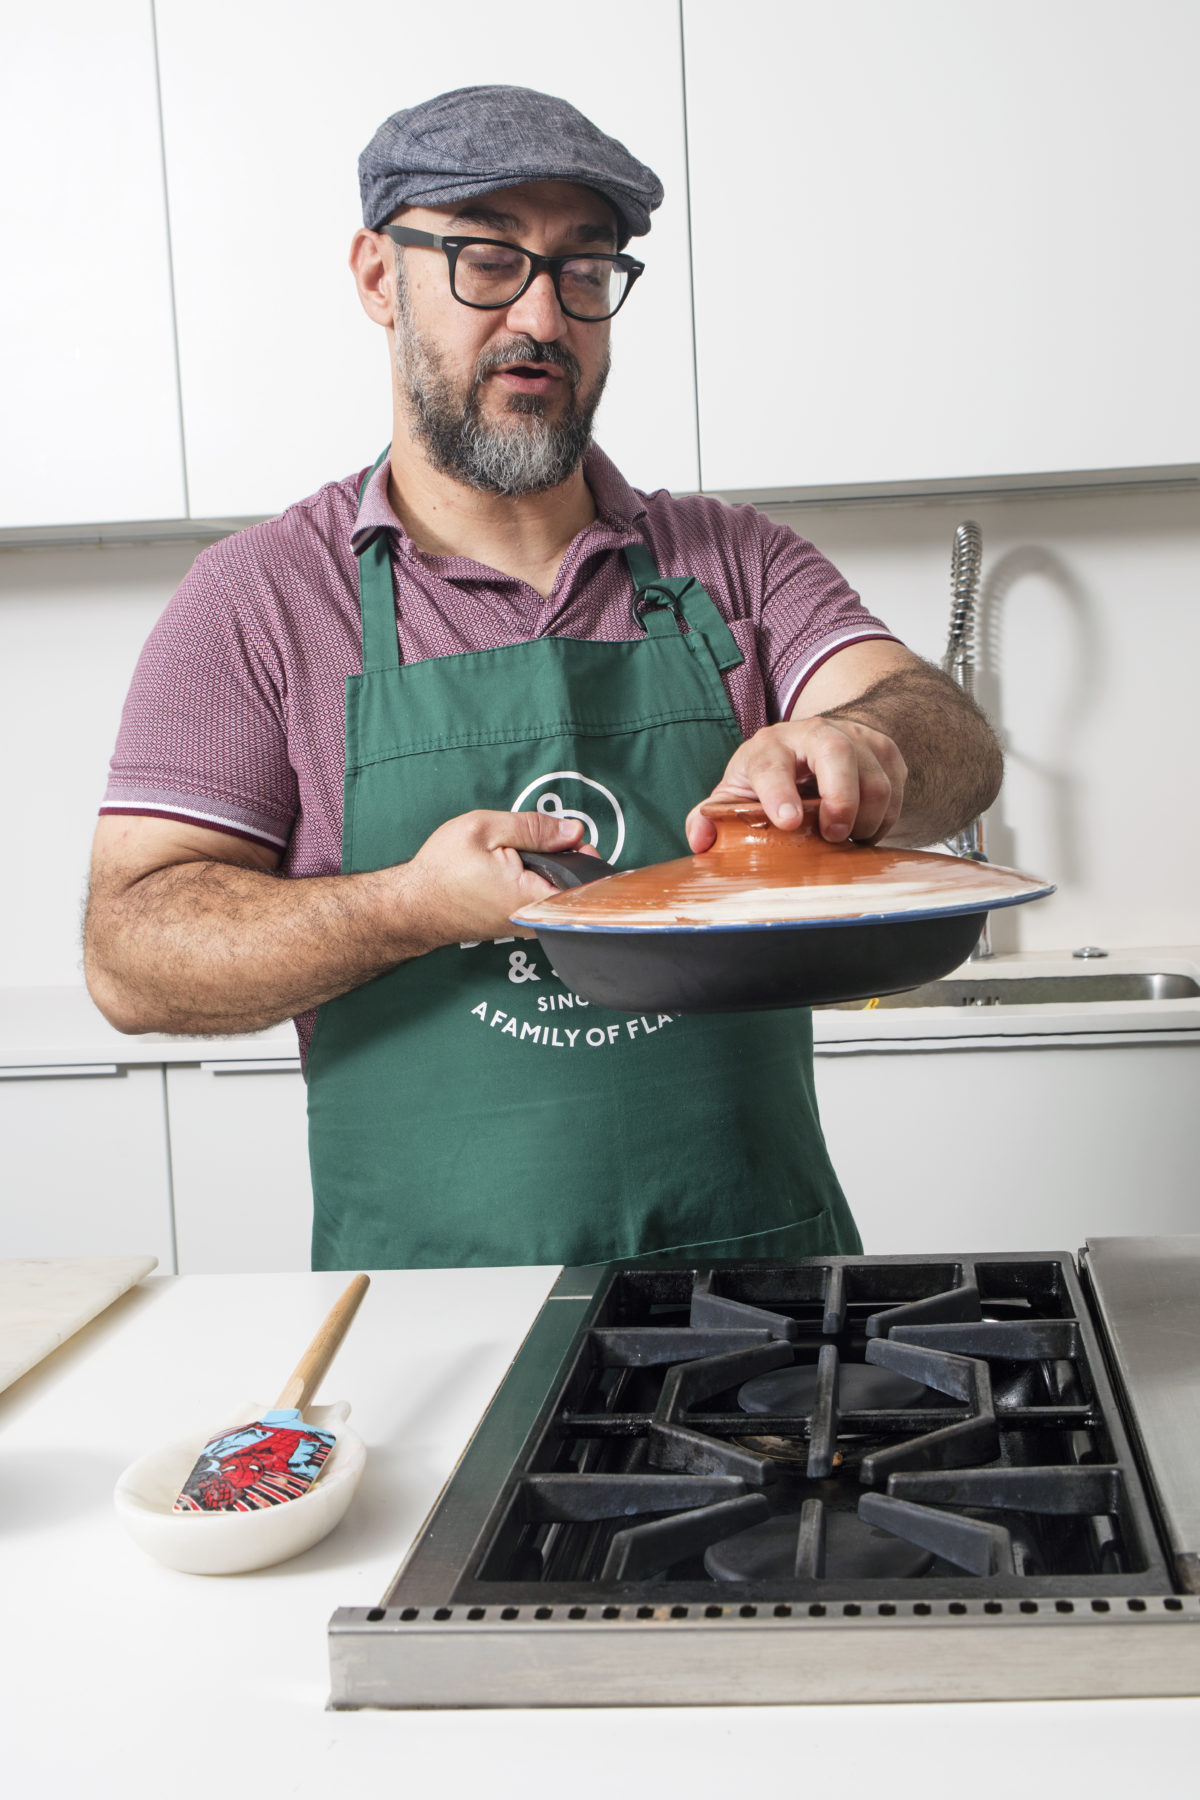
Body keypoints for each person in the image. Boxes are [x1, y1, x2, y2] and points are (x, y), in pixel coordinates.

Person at [84, 85, 1002, 1271]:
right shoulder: (259, 600)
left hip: (760, 1294)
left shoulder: (732, 559)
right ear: (377, 277)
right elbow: (130, 955)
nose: (542, 317)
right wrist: (402, 906)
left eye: (582, 271)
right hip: (432, 1309)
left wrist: (866, 746)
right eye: (484, 261)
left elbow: (949, 738)